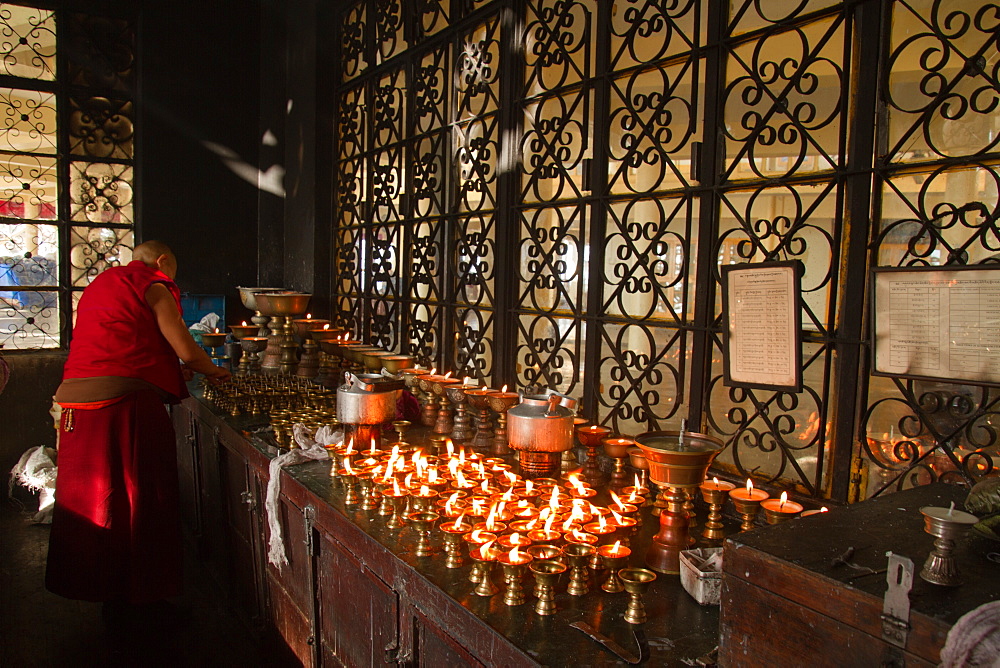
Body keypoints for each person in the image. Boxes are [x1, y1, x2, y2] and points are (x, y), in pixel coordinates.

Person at [46, 240, 230, 617]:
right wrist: (215, 371)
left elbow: (121, 344)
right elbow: (184, 344)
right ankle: (143, 599)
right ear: (162, 261)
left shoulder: (102, 284)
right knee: (143, 497)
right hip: (121, 405)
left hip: (73, 407)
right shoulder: (152, 283)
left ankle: (109, 594)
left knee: (95, 504)